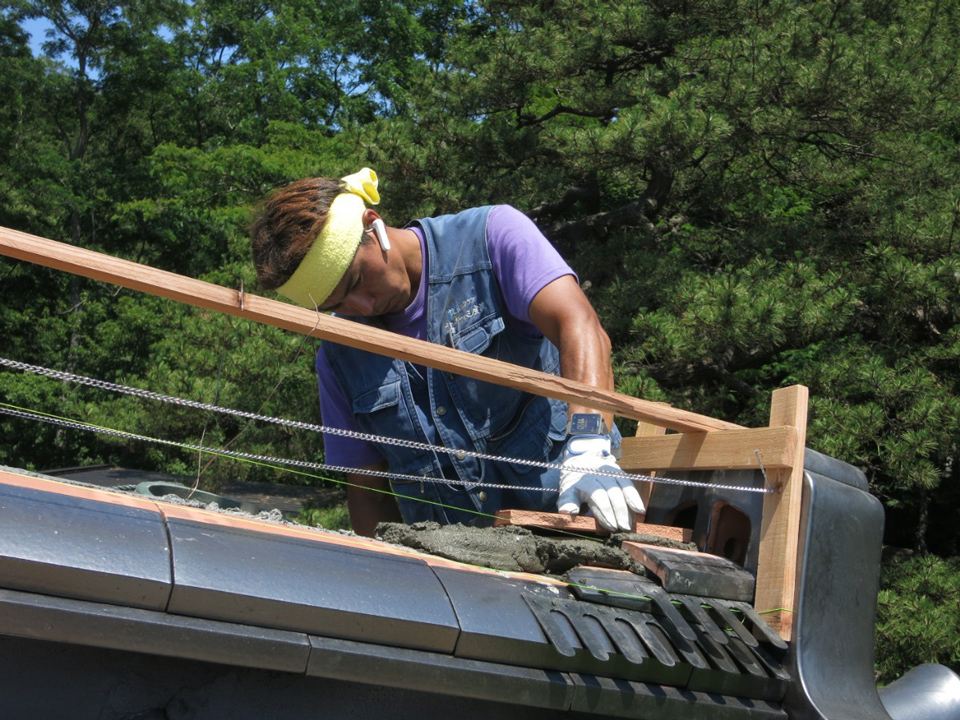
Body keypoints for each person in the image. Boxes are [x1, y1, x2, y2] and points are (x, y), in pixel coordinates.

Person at [250, 168, 644, 536]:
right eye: (339, 304)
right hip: (462, 572)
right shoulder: (339, 355)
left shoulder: (491, 237)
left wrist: (590, 443)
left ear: (373, 225)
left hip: (580, 522)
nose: (363, 308)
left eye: (357, 281)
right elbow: (367, 485)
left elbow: (580, 326)